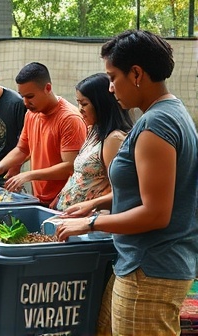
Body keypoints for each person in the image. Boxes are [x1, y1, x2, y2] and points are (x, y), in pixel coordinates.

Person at [56, 30, 198, 336]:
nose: (109, 87)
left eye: (112, 77)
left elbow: (155, 213)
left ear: (136, 74)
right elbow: (148, 187)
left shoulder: (156, 124)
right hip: (141, 264)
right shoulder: (167, 113)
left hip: (151, 270)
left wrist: (91, 223)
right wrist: (95, 203)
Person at [0, 62, 87, 205]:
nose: (25, 102)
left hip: (64, 201)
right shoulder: (31, 113)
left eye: (30, 96)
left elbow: (70, 166)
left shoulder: (69, 119)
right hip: (38, 198)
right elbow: (22, 149)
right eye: (22, 96)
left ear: (47, 88)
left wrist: (29, 175)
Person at [50, 73, 133, 211]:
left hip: (91, 221)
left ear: (101, 104)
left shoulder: (114, 139)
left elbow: (118, 191)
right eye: (78, 103)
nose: (80, 109)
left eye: (84, 104)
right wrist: (61, 196)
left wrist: (92, 207)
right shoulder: (93, 130)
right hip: (69, 216)